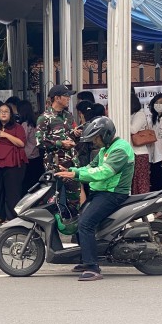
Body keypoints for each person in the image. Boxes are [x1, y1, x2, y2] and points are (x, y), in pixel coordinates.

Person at [55, 117, 133, 282]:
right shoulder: (106, 149)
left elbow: (105, 172)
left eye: (96, 137)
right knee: (80, 220)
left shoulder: (120, 149)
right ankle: (85, 259)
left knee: (85, 224)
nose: (94, 141)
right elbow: (91, 167)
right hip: (101, 192)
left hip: (113, 193)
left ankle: (92, 267)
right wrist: (72, 170)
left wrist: (75, 174)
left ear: (105, 134)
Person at [0, 103, 28, 222]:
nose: (3, 113)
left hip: (13, 163)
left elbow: (21, 143)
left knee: (12, 191)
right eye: (1, 111)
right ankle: (1, 215)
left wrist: (5, 135)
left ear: (10, 114)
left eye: (6, 111)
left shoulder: (17, 127)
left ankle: (12, 217)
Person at [36, 85, 79, 204]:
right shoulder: (44, 118)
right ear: (57, 98)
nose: (69, 98)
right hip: (55, 165)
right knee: (54, 198)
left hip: (72, 162)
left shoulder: (68, 116)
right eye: (66, 96)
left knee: (74, 198)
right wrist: (60, 144)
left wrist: (76, 134)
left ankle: (73, 220)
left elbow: (71, 137)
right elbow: (40, 142)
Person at [18, 100, 43, 193]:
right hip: (36, 156)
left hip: (28, 158)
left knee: (27, 186)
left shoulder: (25, 125)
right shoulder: (35, 123)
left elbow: (21, 141)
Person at [129, 91, 151, 194]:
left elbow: (133, 130)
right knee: (133, 181)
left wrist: (123, 119)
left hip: (140, 153)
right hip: (132, 153)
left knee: (141, 181)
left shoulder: (140, 114)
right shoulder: (132, 115)